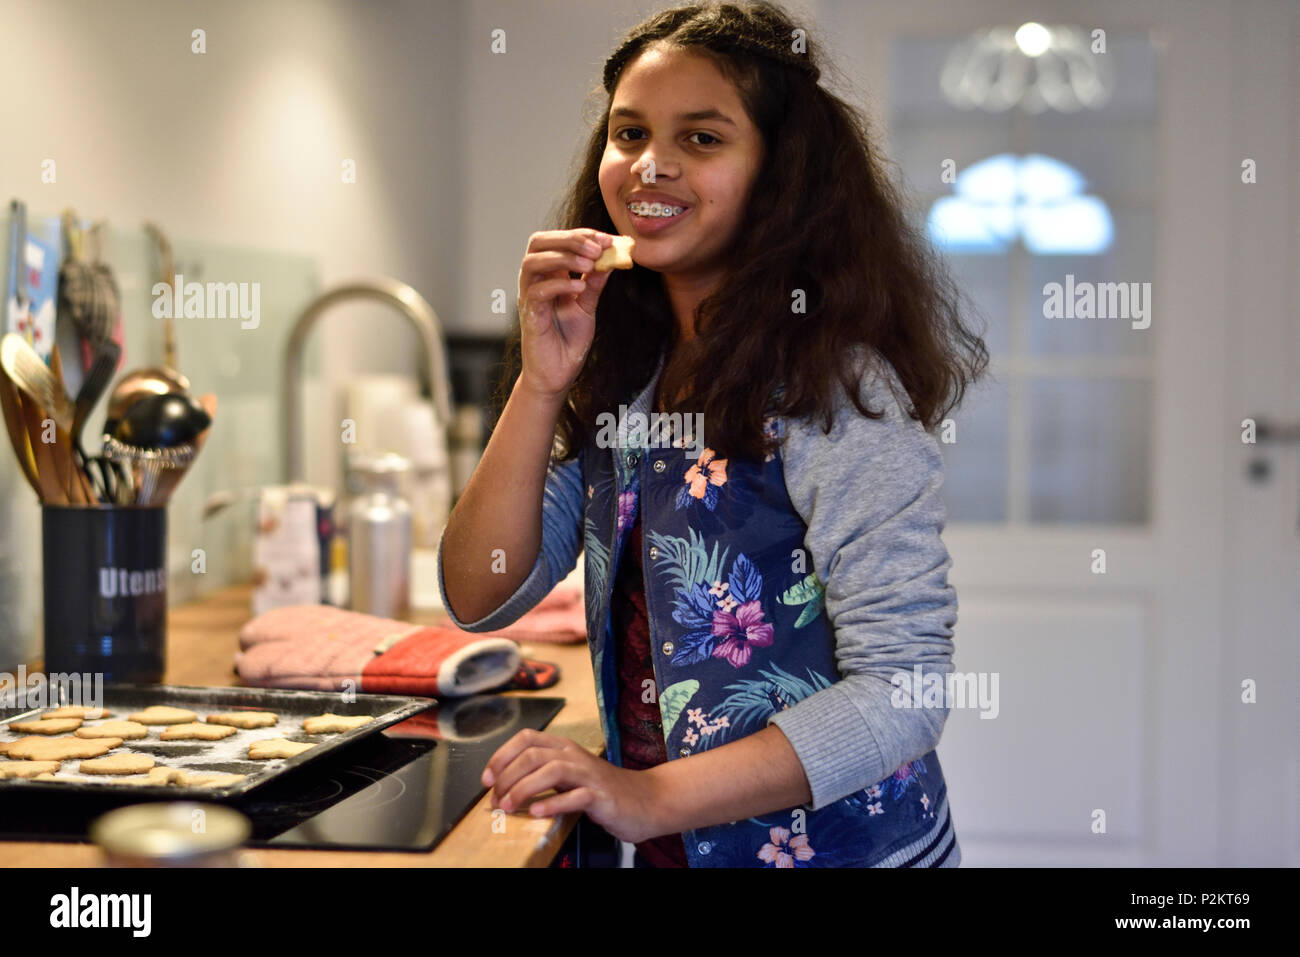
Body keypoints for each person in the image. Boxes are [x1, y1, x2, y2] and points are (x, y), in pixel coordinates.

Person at [438, 0, 988, 868]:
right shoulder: (626, 369)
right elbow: (483, 593)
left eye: (702, 138)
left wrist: (648, 792)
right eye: (629, 134)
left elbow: (903, 691)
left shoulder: (839, 387)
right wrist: (541, 383)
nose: (650, 166)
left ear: (779, 175)